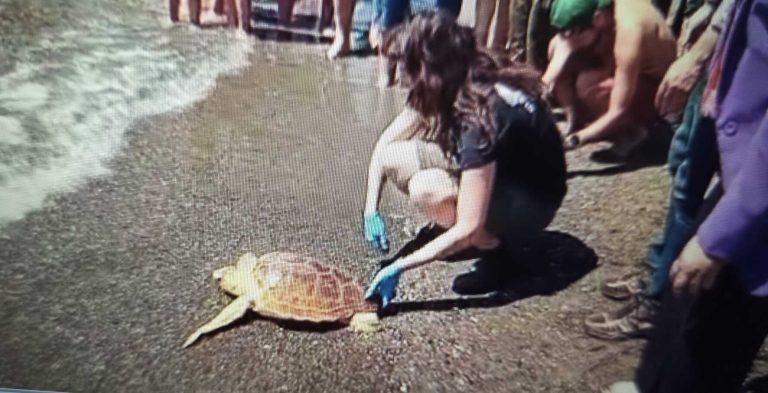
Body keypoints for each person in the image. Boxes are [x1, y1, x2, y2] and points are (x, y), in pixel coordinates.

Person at [605, 0, 768, 391]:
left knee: (708, 333)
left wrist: (722, 235)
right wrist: (702, 55)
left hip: (757, 186)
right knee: (682, 310)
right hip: (745, 158)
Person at [361, 10, 568, 307]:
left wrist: (401, 266)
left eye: (408, 69)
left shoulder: (478, 117)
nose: (404, 78)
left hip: (534, 201)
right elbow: (384, 149)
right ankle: (470, 225)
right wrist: (371, 209)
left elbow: (468, 225)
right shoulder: (464, 69)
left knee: (427, 189)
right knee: (397, 156)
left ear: (428, 70)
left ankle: (501, 251)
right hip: (512, 171)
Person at [583, 0, 734, 341]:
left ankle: (659, 301)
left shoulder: (629, 25)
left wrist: (698, 54)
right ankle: (658, 269)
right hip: (718, 48)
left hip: (731, 57)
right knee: (682, 161)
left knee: (691, 179)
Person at [541, 0, 677, 161]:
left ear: (598, 18)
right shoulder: (601, 15)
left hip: (657, 91)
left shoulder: (629, 31)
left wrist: (575, 140)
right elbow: (555, 63)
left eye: (574, 31)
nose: (567, 38)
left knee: (592, 90)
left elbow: (619, 110)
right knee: (558, 48)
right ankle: (575, 120)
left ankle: (637, 132)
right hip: (622, 65)